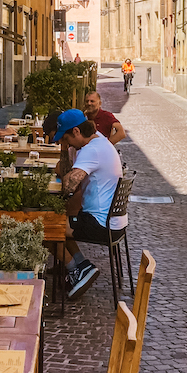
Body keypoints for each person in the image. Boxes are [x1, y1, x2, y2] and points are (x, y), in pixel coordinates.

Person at [53, 108, 126, 299]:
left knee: (46, 228)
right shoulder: (100, 139)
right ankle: (82, 265)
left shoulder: (90, 150)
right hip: (114, 222)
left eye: (66, 138)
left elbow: (69, 185)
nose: (66, 142)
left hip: (100, 224)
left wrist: (63, 162)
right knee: (61, 220)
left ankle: (75, 272)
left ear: (76, 132)